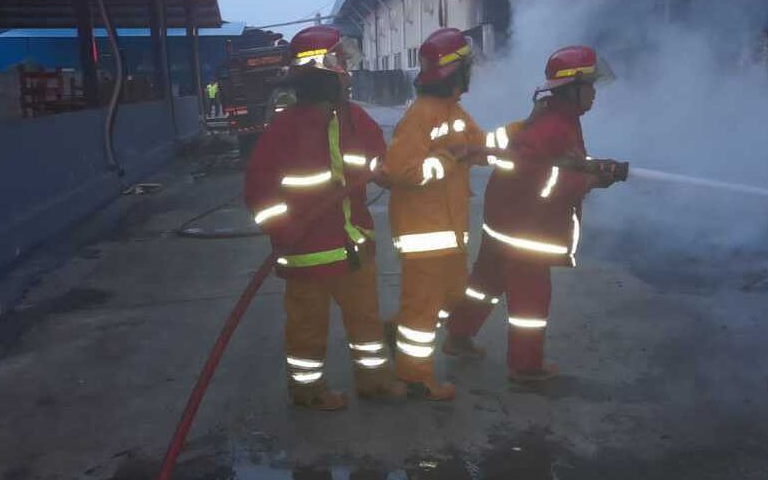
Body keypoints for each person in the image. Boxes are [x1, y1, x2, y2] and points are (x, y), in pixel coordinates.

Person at [244, 26, 404, 411]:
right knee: (307, 330)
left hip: (353, 248)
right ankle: (308, 391)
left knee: (366, 324)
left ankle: (375, 382)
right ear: (324, 69)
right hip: (306, 253)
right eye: (342, 64)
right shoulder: (285, 129)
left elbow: (379, 163)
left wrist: (388, 171)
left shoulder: (356, 119)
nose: (348, 73)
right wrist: (283, 228)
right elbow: (259, 192)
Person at [445, 45, 617, 383]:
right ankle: (526, 369)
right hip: (524, 230)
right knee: (531, 302)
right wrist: (590, 180)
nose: (595, 93)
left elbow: (559, 164)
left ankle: (458, 337)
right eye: (590, 85)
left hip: (504, 220)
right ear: (572, 88)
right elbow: (543, 179)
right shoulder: (553, 127)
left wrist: (595, 169)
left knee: (485, 285)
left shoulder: (558, 119)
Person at [383, 28, 486, 401]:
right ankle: (415, 376)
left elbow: (480, 145)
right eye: (467, 66)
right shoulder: (420, 115)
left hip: (449, 231)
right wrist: (447, 159)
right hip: (423, 232)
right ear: (455, 70)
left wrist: (525, 135)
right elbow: (402, 171)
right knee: (424, 307)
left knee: (454, 295)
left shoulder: (453, 111)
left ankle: (398, 329)